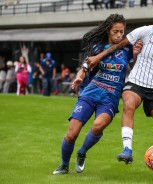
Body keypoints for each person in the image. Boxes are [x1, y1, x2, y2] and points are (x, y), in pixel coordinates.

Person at [85, 0, 153, 177]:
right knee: (129, 105)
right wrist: (98, 57)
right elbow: (119, 45)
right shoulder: (144, 31)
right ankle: (127, 150)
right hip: (136, 82)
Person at [53, 14, 142, 175]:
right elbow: (86, 64)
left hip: (110, 98)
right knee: (72, 134)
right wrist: (80, 75)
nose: (120, 35)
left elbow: (135, 71)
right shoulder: (98, 47)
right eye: (116, 31)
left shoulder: (127, 48)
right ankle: (64, 165)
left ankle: (82, 152)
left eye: (122, 32)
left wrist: (135, 55)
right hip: (90, 93)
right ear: (108, 30)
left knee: (98, 126)